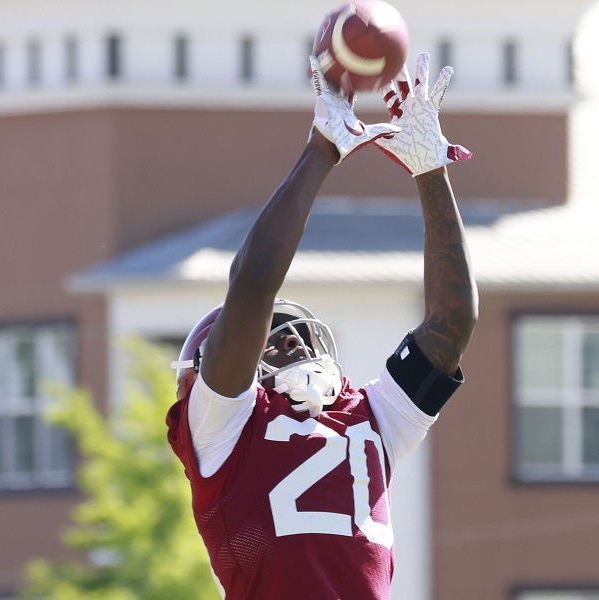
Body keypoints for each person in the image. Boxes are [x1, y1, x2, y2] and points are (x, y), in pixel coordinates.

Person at [166, 52, 477, 599]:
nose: (289, 338)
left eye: (296, 330)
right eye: (272, 333)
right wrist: (321, 150)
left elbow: (452, 323)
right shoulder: (222, 430)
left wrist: (431, 170)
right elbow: (252, 285)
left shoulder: (372, 417)